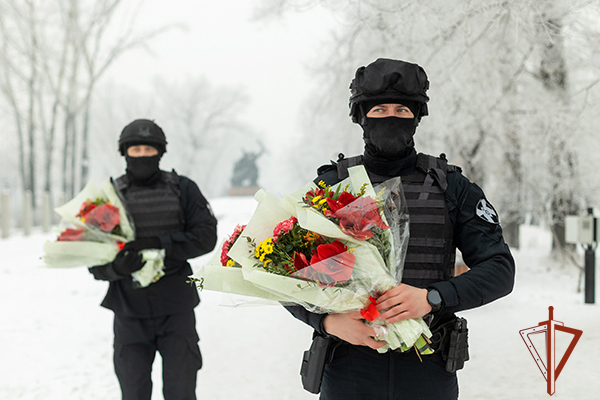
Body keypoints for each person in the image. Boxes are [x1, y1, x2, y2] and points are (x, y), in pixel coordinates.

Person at [286, 58, 516, 400]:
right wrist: (328, 322)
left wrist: (432, 298)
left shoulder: (451, 187)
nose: (390, 117)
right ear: (361, 117)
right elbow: (282, 271)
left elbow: (499, 269)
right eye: (379, 109)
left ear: (416, 118)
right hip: (348, 367)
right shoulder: (330, 188)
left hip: (427, 368)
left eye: (402, 110)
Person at [89, 119, 218, 400]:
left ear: (160, 152)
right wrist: (116, 267)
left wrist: (161, 244)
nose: (142, 155)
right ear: (124, 153)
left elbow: (206, 237)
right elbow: (93, 261)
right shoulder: (109, 197)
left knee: (181, 392)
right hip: (129, 312)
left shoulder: (183, 189)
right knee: (133, 393)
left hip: (176, 309)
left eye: (149, 149)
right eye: (135, 150)